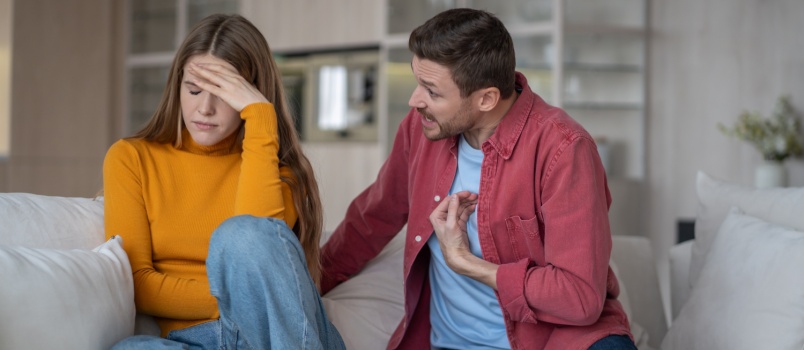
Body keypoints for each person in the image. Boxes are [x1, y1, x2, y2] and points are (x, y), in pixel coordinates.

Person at [320, 8, 635, 350]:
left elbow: (579, 298)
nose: (414, 101)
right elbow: (372, 218)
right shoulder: (420, 130)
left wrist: (469, 264)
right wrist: (300, 285)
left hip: (555, 340)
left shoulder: (563, 149)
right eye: (417, 83)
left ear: (486, 98)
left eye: (432, 91)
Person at [104, 14, 344, 349]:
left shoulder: (279, 172)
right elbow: (137, 283)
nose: (204, 108)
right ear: (177, 86)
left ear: (252, 96)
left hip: (272, 338)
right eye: (194, 89)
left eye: (225, 94)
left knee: (242, 233)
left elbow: (258, 250)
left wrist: (261, 119)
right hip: (195, 340)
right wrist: (237, 299)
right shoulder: (132, 158)